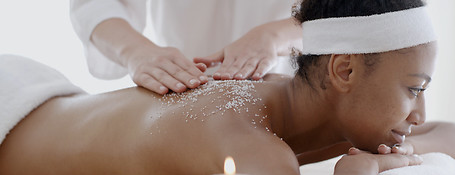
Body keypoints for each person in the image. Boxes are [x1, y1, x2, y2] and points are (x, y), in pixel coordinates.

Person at [1, 0, 454, 175]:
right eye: (414, 88)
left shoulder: (286, 104)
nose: (419, 114)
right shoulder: (239, 133)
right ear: (345, 70)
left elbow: (436, 134)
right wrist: (361, 166)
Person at [70, 0, 301, 94]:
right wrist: (135, 50)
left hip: (292, 88)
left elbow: (336, 12)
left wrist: (277, 34)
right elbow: (96, 4)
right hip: (182, 88)